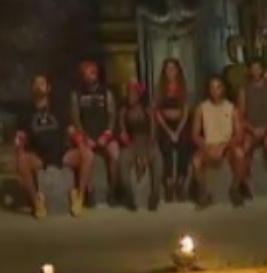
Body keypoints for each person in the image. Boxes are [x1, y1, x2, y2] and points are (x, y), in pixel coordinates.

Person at [13, 74, 92, 218]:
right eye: (36, 84)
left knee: (87, 154)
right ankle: (36, 201)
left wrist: (80, 144)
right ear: (32, 88)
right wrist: (20, 149)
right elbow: (20, 136)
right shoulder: (25, 113)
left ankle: (79, 196)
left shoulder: (58, 109)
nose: (39, 86)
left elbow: (71, 131)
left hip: (62, 153)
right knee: (21, 160)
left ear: (48, 88)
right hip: (39, 156)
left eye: (42, 83)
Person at [69, 59, 119, 206]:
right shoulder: (76, 94)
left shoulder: (106, 93)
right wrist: (86, 138)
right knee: (87, 155)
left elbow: (112, 116)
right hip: (87, 135)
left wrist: (107, 135)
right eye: (86, 73)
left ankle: (113, 191)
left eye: (92, 72)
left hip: (104, 135)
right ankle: (90, 192)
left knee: (115, 153)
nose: (90, 76)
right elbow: (76, 118)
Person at [191, 75, 245, 208]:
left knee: (240, 154)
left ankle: (235, 188)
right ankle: (204, 194)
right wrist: (206, 147)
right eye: (212, 88)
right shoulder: (201, 108)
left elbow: (239, 134)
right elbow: (195, 134)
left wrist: (224, 146)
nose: (215, 91)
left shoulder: (232, 108)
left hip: (226, 147)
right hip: (208, 146)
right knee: (196, 161)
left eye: (218, 87)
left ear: (224, 88)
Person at [116, 80, 163, 211]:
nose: (130, 96)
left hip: (148, 142)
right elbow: (122, 132)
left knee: (158, 160)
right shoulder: (123, 111)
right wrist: (128, 143)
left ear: (139, 95)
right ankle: (129, 196)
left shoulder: (147, 110)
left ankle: (155, 196)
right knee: (123, 160)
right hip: (131, 144)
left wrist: (144, 155)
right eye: (128, 93)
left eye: (133, 93)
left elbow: (154, 132)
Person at [239, 58, 267, 200]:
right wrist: (252, 129)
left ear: (263, 70)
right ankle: (244, 184)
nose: (256, 71)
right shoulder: (244, 90)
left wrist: (265, 128)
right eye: (253, 68)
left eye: (258, 68)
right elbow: (240, 116)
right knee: (245, 147)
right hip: (250, 129)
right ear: (250, 71)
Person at [154, 58, 192, 203]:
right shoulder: (160, 88)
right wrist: (169, 131)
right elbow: (157, 112)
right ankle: (168, 182)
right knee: (166, 146)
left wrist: (178, 130)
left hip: (181, 124)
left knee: (184, 144)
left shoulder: (183, 87)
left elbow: (186, 111)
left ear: (178, 71)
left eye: (173, 68)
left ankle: (181, 181)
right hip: (164, 124)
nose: (170, 71)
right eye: (168, 69)